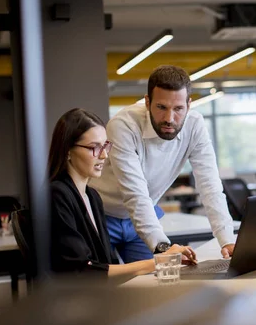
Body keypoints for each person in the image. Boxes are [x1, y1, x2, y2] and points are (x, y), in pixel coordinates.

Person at [91, 66, 236, 263]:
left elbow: (210, 185)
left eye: (178, 109)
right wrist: (163, 248)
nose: (169, 118)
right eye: (161, 107)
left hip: (143, 217)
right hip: (101, 216)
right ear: (147, 102)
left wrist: (227, 240)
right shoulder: (123, 125)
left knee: (151, 284)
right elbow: (135, 194)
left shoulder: (195, 125)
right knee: (104, 286)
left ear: (189, 105)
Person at [48, 108, 196, 279]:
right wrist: (159, 261)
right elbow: (83, 270)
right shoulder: (57, 195)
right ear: (67, 150)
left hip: (100, 295)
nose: (103, 155)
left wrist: (161, 260)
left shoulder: (92, 197)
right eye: (94, 147)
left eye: (105, 146)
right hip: (77, 300)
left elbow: (107, 262)